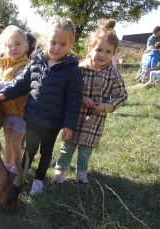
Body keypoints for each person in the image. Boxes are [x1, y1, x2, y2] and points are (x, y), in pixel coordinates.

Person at [0, 16, 84, 195]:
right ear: (46, 40)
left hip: (52, 122)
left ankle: (39, 179)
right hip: (31, 118)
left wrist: (69, 124)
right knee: (29, 150)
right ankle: (21, 177)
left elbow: (73, 100)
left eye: (63, 44)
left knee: (45, 153)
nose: (56, 48)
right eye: (53, 42)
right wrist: (4, 94)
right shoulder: (37, 61)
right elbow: (21, 83)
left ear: (71, 43)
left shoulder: (73, 71)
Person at [51, 19, 128, 185]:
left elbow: (122, 95)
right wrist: (81, 98)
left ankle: (81, 173)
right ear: (90, 49)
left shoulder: (113, 74)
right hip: (73, 116)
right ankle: (60, 171)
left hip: (95, 119)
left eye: (108, 51)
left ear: (114, 54)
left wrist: (106, 106)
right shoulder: (78, 69)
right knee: (67, 147)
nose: (102, 55)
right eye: (98, 49)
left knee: (86, 150)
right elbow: (66, 89)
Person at [0, 25, 30, 174]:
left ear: (26, 46)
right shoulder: (6, 64)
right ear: (4, 48)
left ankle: (17, 167)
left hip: (20, 113)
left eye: (18, 44)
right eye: (9, 45)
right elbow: (4, 74)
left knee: (16, 143)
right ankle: (7, 165)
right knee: (8, 142)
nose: (14, 48)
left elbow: (12, 84)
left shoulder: (25, 66)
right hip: (7, 112)